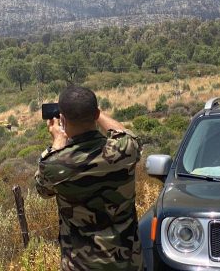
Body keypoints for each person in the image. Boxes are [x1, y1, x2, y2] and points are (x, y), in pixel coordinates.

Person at [35, 86, 141, 270]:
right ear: (96, 113)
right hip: (128, 263)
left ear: (63, 119)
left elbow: (43, 190)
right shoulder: (125, 151)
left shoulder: (54, 166)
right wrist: (94, 113)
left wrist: (58, 142)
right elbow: (123, 133)